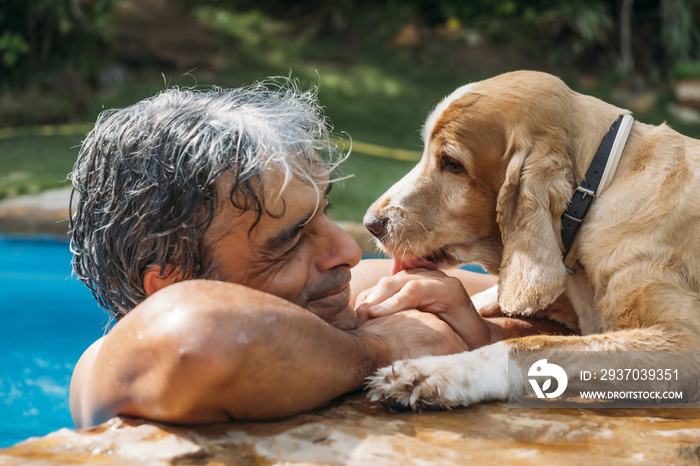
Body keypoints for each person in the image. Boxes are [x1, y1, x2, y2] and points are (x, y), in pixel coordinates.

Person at [68, 78, 570, 428]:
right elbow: (202, 339)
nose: (348, 252)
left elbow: (592, 332)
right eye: (287, 240)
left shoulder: (358, 299)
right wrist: (384, 352)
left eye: (324, 213)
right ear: (168, 285)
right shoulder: (105, 375)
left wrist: (487, 337)